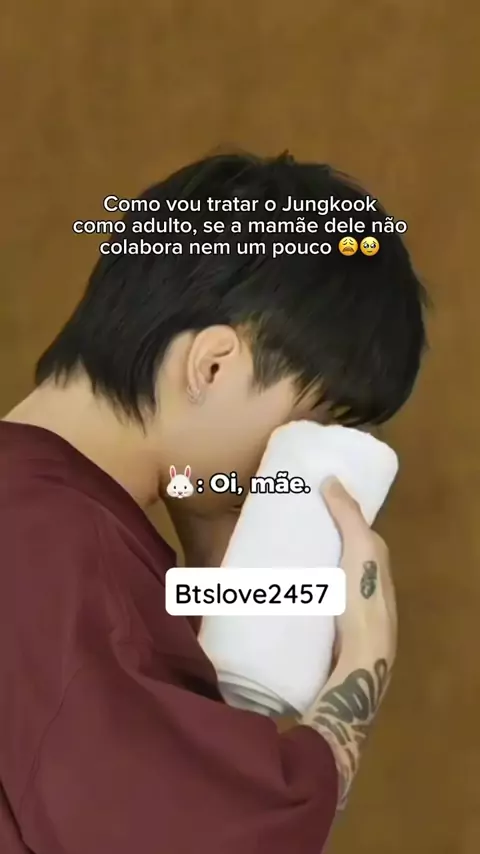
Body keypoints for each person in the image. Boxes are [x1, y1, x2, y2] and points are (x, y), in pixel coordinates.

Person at [0, 151, 426, 853]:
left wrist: (219, 572)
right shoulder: (49, 541)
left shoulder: (54, 522)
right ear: (213, 366)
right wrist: (364, 661)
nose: (284, 469)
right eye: (309, 428)